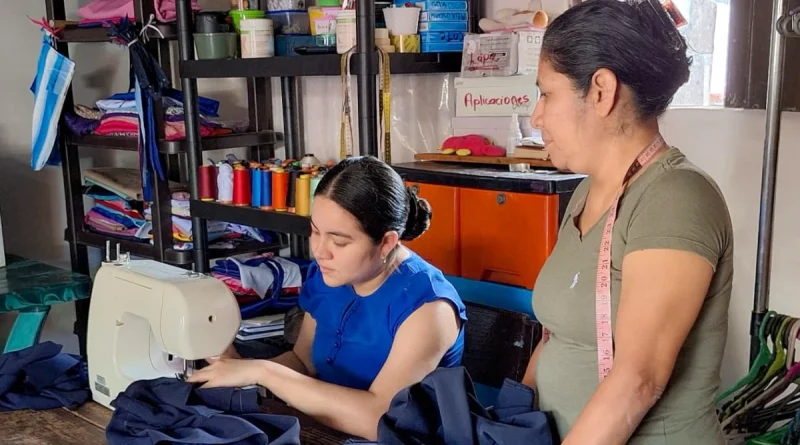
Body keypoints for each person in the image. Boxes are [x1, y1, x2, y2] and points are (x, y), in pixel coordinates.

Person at [521, 1, 734, 444]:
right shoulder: (587, 193)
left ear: (601, 90)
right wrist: (511, 421)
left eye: (547, 94)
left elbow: (638, 380)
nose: (537, 117)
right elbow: (557, 336)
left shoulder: (675, 197)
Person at [187, 156, 468, 440]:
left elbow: (379, 419)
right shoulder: (330, 275)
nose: (320, 251)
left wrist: (263, 372)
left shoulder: (429, 308)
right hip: (323, 432)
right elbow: (304, 362)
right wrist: (236, 366)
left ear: (386, 243)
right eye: (315, 231)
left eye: (339, 241)